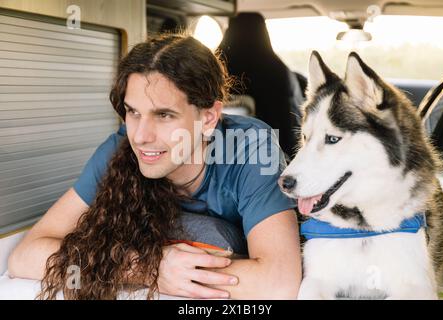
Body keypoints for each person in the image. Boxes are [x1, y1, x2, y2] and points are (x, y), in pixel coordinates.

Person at [7, 34, 301, 300]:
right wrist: (150, 267)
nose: (141, 136)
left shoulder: (251, 146)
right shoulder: (120, 148)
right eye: (133, 112)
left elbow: (277, 283)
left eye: (164, 115)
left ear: (209, 118)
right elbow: (25, 256)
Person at [217, 12, 304, 160]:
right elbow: (290, 119)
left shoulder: (215, 69)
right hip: (270, 151)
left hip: (219, 150)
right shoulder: (278, 71)